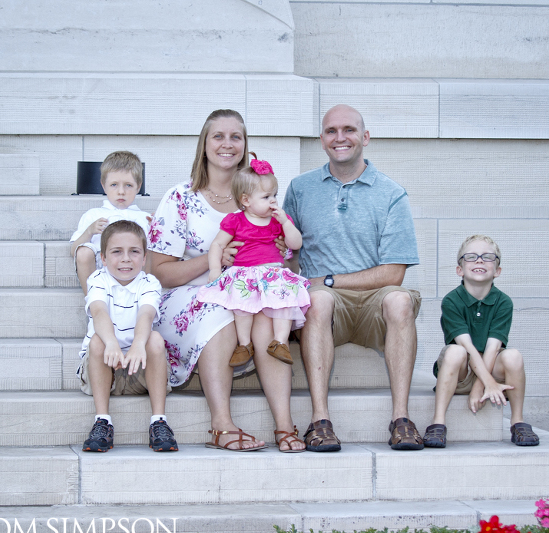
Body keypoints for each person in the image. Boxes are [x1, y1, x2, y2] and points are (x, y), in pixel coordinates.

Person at [148, 109, 305, 453]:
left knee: (269, 317)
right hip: (189, 295)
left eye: (236, 137)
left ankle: (284, 426)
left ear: (246, 146)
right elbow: (159, 271)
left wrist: (284, 253)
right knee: (222, 315)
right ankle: (221, 424)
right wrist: (214, 259)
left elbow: (288, 259)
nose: (227, 144)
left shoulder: (260, 199)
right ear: (204, 145)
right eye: (218, 136)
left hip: (249, 292)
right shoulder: (181, 198)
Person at [283, 104, 423, 452]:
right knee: (315, 300)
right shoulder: (300, 189)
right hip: (327, 308)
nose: (340, 137)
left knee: (400, 299)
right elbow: (286, 253)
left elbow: (394, 273)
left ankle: (401, 419)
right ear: (321, 139)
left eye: (348, 129)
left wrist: (328, 280)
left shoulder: (391, 194)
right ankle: (320, 421)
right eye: (331, 131)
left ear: (365, 137)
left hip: (374, 300)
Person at [425, 234, 539, 448]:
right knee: (455, 351)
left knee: (513, 356)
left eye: (487, 257)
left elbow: (493, 347)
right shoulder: (452, 300)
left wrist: (480, 386)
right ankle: (438, 422)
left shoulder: (503, 302)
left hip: (489, 369)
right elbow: (466, 347)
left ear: (497, 271)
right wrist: (484, 383)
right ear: (460, 269)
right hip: (460, 373)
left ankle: (518, 422)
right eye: (471, 257)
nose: (479, 260)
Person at [197, 154, 310, 367]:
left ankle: (280, 342)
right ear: (246, 200)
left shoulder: (279, 221)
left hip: (273, 274)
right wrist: (214, 270)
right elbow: (217, 245)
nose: (274, 201)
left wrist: (285, 222)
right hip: (244, 273)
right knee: (241, 306)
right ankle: (244, 343)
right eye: (266, 197)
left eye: (275, 195)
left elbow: (295, 244)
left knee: (283, 301)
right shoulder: (236, 220)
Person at [79, 220, 176, 454]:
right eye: (116, 252)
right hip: (103, 368)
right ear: (103, 258)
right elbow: (99, 311)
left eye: (134, 252)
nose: (126, 258)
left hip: (138, 366)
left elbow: (146, 314)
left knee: (154, 339)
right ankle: (102, 421)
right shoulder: (98, 280)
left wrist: (137, 344)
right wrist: (111, 343)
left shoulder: (149, 282)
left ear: (144, 258)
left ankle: (159, 422)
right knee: (97, 341)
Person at [70, 151, 151, 295]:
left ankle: (140, 299)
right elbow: (73, 251)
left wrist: (157, 227)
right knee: (83, 252)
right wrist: (89, 231)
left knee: (150, 252)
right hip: (101, 272)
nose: (121, 192)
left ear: (138, 187)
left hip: (134, 271)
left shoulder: (144, 218)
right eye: (114, 185)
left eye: (128, 185)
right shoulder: (93, 215)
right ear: (103, 185)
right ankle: (95, 305)